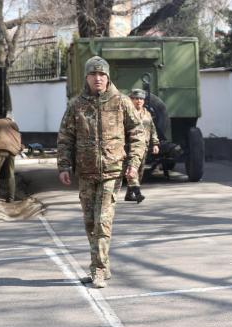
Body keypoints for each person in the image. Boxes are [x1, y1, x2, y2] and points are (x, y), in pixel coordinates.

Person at [57, 56, 144, 289]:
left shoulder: (121, 102)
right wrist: (64, 166)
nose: (98, 78)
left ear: (108, 77)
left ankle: (98, 269)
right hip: (86, 173)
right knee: (89, 223)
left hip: (112, 171)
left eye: (102, 74)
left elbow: (137, 133)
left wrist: (133, 163)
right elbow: (66, 138)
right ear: (86, 77)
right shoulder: (76, 105)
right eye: (93, 74)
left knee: (102, 222)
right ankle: (101, 264)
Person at [124, 89, 160, 204]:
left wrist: (155, 143)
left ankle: (129, 194)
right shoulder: (127, 113)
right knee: (132, 168)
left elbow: (152, 129)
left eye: (141, 99)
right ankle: (137, 192)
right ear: (131, 100)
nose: (138, 101)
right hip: (130, 146)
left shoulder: (147, 113)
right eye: (136, 98)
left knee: (140, 171)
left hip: (143, 147)